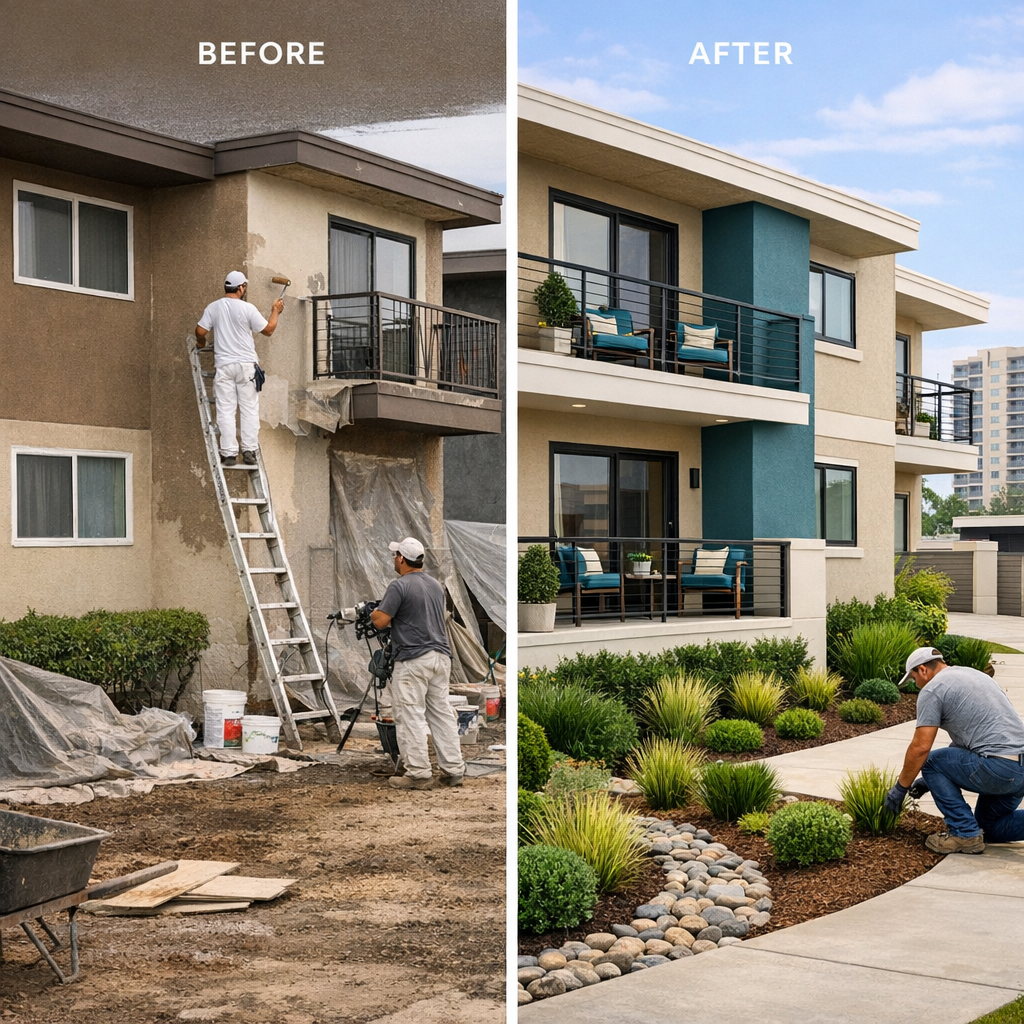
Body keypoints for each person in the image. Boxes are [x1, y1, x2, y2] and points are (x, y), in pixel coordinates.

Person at [884, 646, 1024, 854]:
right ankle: (972, 831)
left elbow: (920, 747)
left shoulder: (933, 689)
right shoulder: (974, 675)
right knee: (990, 827)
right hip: (1018, 768)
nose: (916, 685)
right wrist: (927, 781)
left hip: (1000, 767)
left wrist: (900, 789)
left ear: (922, 670)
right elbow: (970, 743)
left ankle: (964, 834)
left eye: (914, 678)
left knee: (931, 762)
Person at [370, 537, 465, 790]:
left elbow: (381, 620)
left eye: (395, 556)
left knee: (410, 714)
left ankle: (418, 773)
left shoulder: (399, 586)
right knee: (441, 713)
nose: (394, 560)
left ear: (402, 558)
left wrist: (372, 612)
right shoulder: (435, 585)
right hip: (440, 657)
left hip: (413, 659)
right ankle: (453, 770)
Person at [196, 271, 284, 466]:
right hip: (246, 367)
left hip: (224, 366)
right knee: (249, 409)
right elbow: (269, 330)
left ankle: (229, 454)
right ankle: (249, 451)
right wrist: (275, 311)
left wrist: (201, 343)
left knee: (225, 410)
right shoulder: (247, 308)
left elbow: (200, 331)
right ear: (240, 288)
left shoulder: (214, 307)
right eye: (245, 286)